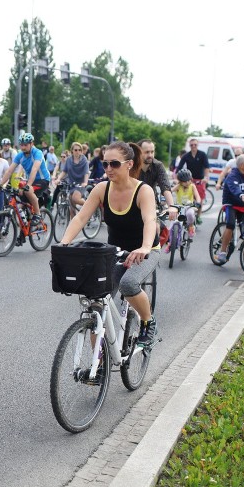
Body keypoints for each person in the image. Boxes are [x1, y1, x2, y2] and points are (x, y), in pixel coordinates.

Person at [59, 141, 159, 348]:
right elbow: (80, 219)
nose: (108, 169)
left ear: (129, 164)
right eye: (105, 164)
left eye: (114, 164)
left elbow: (150, 220)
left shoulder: (143, 191)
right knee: (96, 301)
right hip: (115, 252)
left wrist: (145, 247)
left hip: (146, 251)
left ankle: (148, 323)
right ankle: (99, 363)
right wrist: (64, 243)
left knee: (129, 284)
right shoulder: (101, 189)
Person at [0, 132, 51, 228]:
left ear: (32, 144)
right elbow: (9, 170)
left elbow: (34, 169)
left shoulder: (37, 153)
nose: (23, 147)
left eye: (26, 145)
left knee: (28, 191)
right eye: (21, 145)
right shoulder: (20, 155)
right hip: (30, 180)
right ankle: (23, 233)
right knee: (19, 206)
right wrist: (0, 184)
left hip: (43, 180)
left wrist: (28, 185)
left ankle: (38, 215)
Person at [215, 154, 244, 266]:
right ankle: (222, 252)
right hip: (231, 203)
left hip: (242, 205)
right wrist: (242, 196)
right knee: (230, 225)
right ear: (242, 165)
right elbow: (235, 189)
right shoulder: (232, 175)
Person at [137, 139, 175, 211]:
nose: (150, 155)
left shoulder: (158, 165)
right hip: (133, 204)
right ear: (139, 152)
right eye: (147, 152)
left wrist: (172, 207)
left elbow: (165, 187)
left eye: (152, 152)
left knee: (157, 221)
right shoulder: (131, 166)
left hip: (152, 203)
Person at [54, 141, 90, 216]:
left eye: (80, 150)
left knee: (75, 199)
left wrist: (85, 182)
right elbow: (64, 171)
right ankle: (73, 224)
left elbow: (86, 172)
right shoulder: (69, 160)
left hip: (81, 184)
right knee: (71, 206)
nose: (78, 152)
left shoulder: (84, 160)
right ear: (72, 151)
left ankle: (89, 206)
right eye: (76, 150)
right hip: (71, 184)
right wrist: (58, 179)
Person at [172, 169, 201, 237]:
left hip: (189, 206)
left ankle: (191, 227)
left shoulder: (192, 186)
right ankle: (171, 240)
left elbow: (197, 196)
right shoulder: (178, 186)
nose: (187, 183)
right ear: (180, 182)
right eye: (185, 182)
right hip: (179, 207)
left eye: (189, 180)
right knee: (173, 221)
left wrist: (198, 202)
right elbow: (170, 191)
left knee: (190, 214)